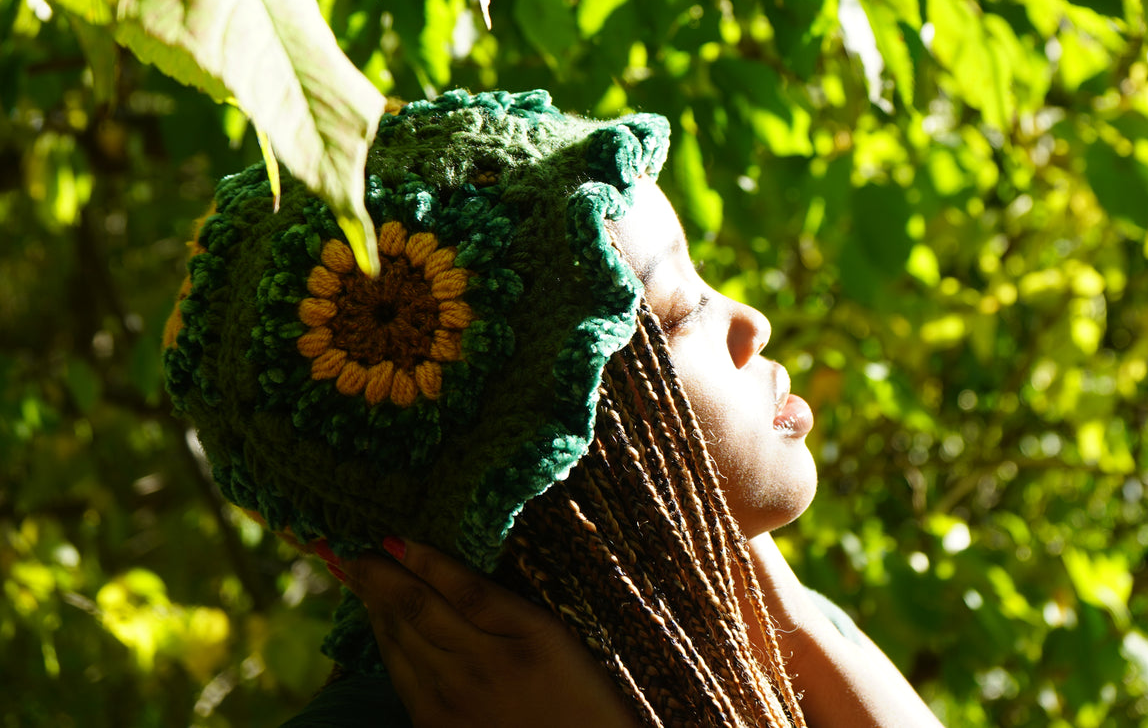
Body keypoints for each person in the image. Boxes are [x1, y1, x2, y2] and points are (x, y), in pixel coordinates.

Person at [163, 88, 940, 726]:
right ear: (536, 459)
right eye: (674, 312)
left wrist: (791, 617)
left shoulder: (766, 632)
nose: (751, 323)